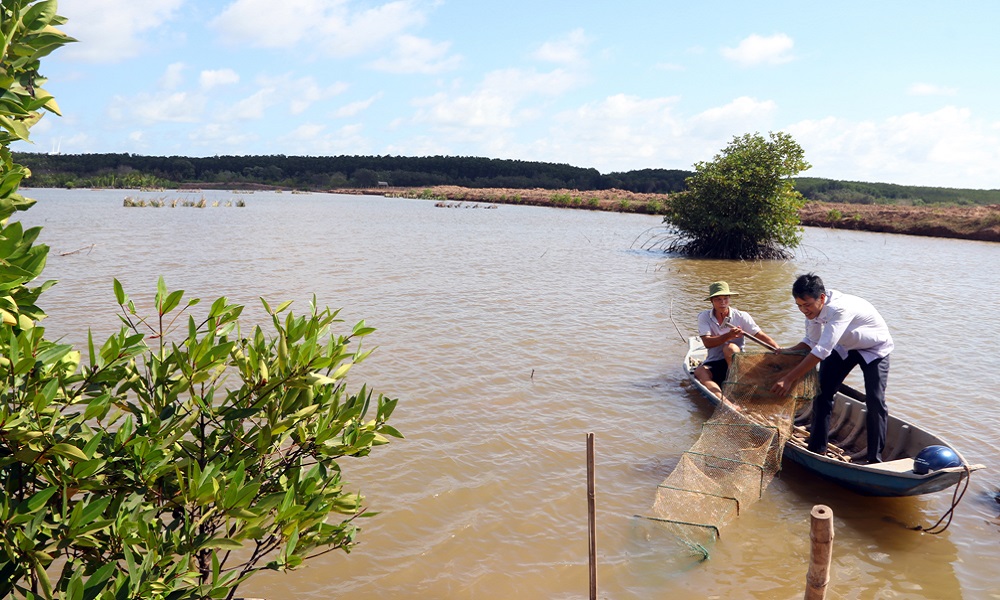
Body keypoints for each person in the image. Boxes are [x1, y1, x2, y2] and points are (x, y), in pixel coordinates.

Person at [770, 273, 893, 464]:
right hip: (844, 346)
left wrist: (788, 378)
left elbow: (821, 350)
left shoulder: (839, 309)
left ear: (821, 298)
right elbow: (811, 341)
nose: (804, 310)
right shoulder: (811, 312)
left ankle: (874, 459)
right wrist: (788, 352)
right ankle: (817, 449)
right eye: (799, 306)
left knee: (875, 400)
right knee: (822, 393)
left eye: (807, 305)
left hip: (874, 348)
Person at [694, 281, 779, 404]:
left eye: (725, 299)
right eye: (718, 299)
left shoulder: (741, 316)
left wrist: (777, 348)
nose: (723, 302)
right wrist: (728, 335)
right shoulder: (704, 317)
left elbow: (759, 335)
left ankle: (735, 387)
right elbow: (707, 342)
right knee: (699, 371)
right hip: (714, 360)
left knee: (730, 348)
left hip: (736, 363)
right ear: (711, 301)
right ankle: (724, 401)